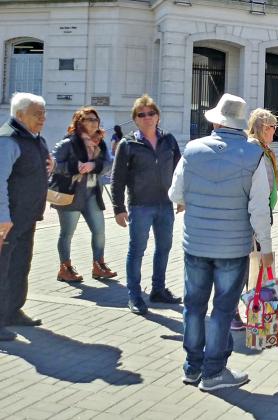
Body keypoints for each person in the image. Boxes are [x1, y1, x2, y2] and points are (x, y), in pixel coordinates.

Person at [169, 93, 273, 391]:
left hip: (196, 243)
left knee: (193, 307)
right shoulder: (254, 156)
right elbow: (259, 209)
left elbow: (175, 194)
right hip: (233, 247)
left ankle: (192, 367)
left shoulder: (192, 149)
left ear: (215, 120)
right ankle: (214, 372)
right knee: (222, 310)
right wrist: (265, 248)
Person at [111, 94, 182, 315]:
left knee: (164, 248)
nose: (147, 117)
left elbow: (181, 171)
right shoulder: (128, 143)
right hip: (140, 205)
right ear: (135, 119)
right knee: (137, 250)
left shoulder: (169, 140)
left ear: (158, 117)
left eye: (151, 113)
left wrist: (181, 197)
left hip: (165, 204)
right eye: (141, 114)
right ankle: (134, 296)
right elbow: (117, 178)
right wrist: (118, 208)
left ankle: (158, 290)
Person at [0, 92, 52, 341]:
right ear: (20, 115)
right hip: (7, 220)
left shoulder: (33, 139)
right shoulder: (8, 140)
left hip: (27, 216)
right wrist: (2, 217)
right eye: (37, 114)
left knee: (20, 265)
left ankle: (12, 311)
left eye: (44, 113)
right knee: (3, 268)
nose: (43, 118)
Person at [51, 107, 116, 283]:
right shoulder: (68, 143)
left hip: (92, 194)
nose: (93, 122)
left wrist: (94, 166)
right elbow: (52, 164)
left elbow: (109, 163)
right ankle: (65, 268)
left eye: (95, 119)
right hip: (71, 194)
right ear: (79, 122)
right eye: (88, 119)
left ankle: (99, 265)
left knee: (99, 231)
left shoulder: (100, 142)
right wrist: (74, 167)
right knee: (67, 233)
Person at [230, 107, 278, 332]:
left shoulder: (264, 149)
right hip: (251, 215)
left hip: (261, 212)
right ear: (262, 128)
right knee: (244, 265)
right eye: (272, 127)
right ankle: (233, 312)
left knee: (253, 264)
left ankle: (249, 308)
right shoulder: (253, 149)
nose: (275, 131)